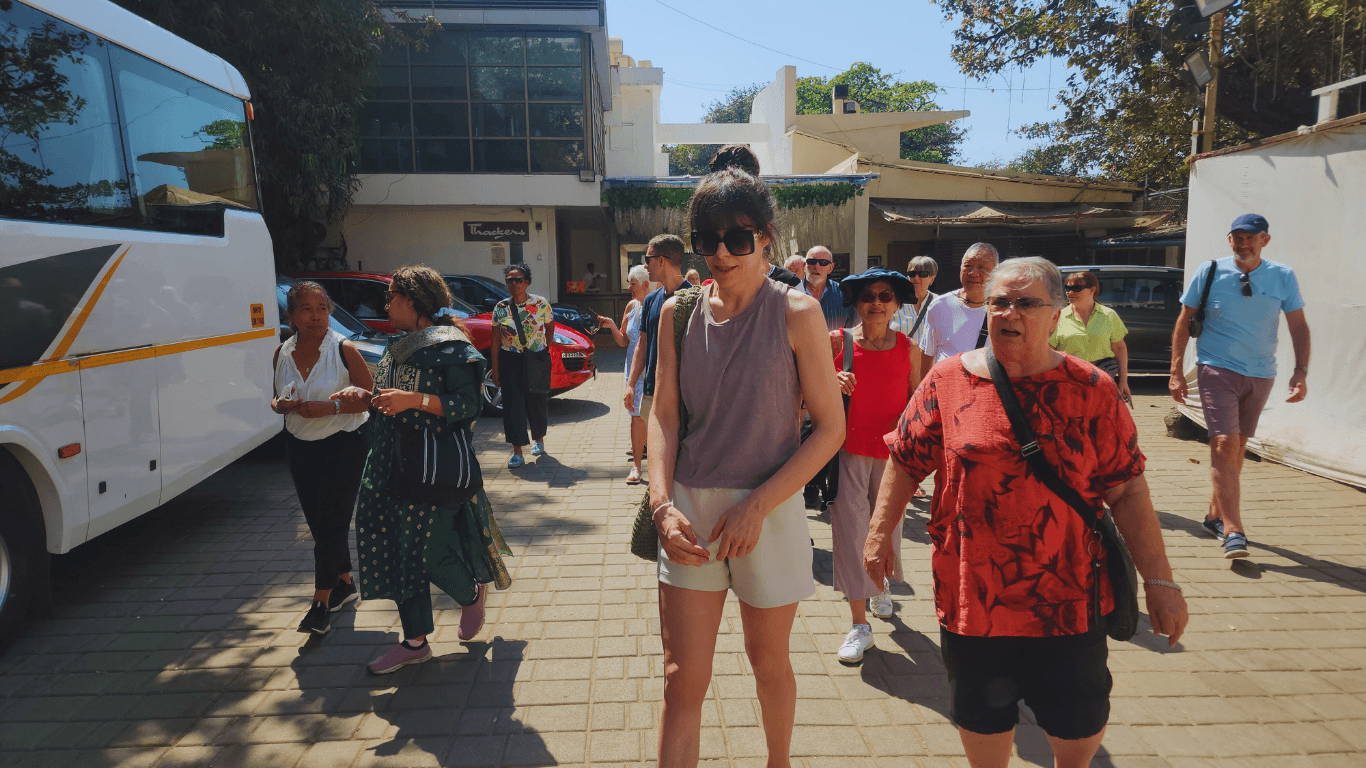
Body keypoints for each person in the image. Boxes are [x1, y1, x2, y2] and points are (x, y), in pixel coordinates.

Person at [865, 257, 1188, 768]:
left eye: (1026, 303)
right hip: (975, 601)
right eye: (998, 302)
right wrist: (879, 532)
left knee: (1077, 720)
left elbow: (1126, 491)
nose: (1008, 312)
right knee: (981, 717)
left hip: (1069, 599)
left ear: (1058, 314)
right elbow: (905, 460)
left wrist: (1161, 583)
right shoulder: (949, 381)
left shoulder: (1092, 390)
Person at [649, 145, 844, 768]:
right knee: (683, 677)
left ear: (765, 238)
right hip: (691, 513)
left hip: (773, 509)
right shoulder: (677, 313)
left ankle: (778, 762)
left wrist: (760, 504)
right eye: (708, 239)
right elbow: (664, 414)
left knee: (769, 663)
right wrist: (660, 505)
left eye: (737, 237)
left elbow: (830, 428)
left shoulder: (797, 312)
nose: (721, 253)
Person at [330, 266, 512, 674]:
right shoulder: (399, 345)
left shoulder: (453, 347)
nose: (386, 305)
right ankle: (414, 643)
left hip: (435, 469)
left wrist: (415, 400)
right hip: (389, 465)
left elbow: (469, 406)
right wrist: (363, 396)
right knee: (399, 555)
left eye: (392, 299)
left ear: (412, 303)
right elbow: (384, 399)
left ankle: (469, 593)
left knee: (427, 554)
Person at [1170, 213, 1310, 559]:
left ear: (1265, 240)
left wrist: (1301, 371)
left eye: (1251, 237)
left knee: (1237, 448)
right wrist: (1175, 370)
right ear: (1229, 240)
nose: (1243, 243)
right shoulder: (1210, 271)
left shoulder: (1282, 276)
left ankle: (1214, 516)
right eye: (1237, 237)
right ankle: (1234, 530)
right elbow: (1185, 320)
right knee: (1222, 442)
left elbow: (1298, 327)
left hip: (1262, 374)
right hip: (1216, 368)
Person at [827, 267, 920, 663]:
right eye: (868, 297)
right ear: (857, 304)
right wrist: (833, 380)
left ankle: (881, 584)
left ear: (897, 304)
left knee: (888, 527)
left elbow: (918, 399)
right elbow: (805, 388)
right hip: (847, 450)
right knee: (850, 530)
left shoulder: (908, 348)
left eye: (885, 296)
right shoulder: (839, 342)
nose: (876, 303)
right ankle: (858, 624)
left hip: (893, 456)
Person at [271, 281, 373, 636]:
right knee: (319, 521)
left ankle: (320, 602)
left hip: (344, 442)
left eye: (322, 308)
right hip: (299, 443)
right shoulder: (281, 352)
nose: (316, 317)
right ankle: (344, 583)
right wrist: (279, 405)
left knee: (331, 521)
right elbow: (279, 394)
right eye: (307, 310)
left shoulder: (344, 349)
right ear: (292, 316)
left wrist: (330, 406)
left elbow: (370, 398)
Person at [491, 263, 554, 468]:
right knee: (512, 405)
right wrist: (496, 369)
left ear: (526, 282)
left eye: (518, 279)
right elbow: (494, 341)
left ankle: (539, 441)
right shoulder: (500, 308)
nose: (514, 283)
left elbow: (549, 327)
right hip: (510, 359)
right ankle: (517, 451)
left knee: (537, 399)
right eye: (510, 280)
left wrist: (543, 349)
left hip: (535, 357)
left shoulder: (541, 303)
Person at [625, 234, 692, 422]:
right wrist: (630, 384)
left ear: (661, 261)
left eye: (648, 259)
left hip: (683, 398)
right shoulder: (650, 300)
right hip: (651, 393)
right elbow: (642, 344)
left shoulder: (693, 299)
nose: (645, 265)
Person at [600, 264, 653, 484]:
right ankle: (637, 467)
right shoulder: (631, 306)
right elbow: (623, 341)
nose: (629, 287)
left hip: (651, 368)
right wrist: (612, 325)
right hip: (632, 369)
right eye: (629, 282)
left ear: (645, 285)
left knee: (652, 416)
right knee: (636, 416)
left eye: (632, 283)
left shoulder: (657, 304)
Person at [918, 243, 998, 384]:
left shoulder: (1002, 309)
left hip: (987, 391)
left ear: (996, 272)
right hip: (947, 391)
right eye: (967, 266)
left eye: (982, 267)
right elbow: (927, 356)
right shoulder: (939, 306)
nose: (973, 273)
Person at [1050, 270, 1132, 404]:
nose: (1070, 292)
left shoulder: (1109, 316)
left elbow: (1119, 348)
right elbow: (1048, 353)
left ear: (1092, 290)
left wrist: (1123, 382)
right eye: (1067, 288)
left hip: (1102, 382)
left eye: (1076, 288)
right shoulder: (1058, 317)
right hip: (1069, 383)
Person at [889, 254, 938, 346]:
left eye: (922, 274)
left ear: (932, 278)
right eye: (912, 274)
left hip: (929, 360)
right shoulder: (894, 301)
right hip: (899, 359)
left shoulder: (939, 303)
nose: (916, 278)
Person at [799, 245, 851, 331]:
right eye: (812, 261)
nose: (817, 266)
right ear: (804, 266)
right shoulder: (790, 293)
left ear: (831, 268)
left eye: (823, 262)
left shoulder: (844, 294)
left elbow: (853, 331)